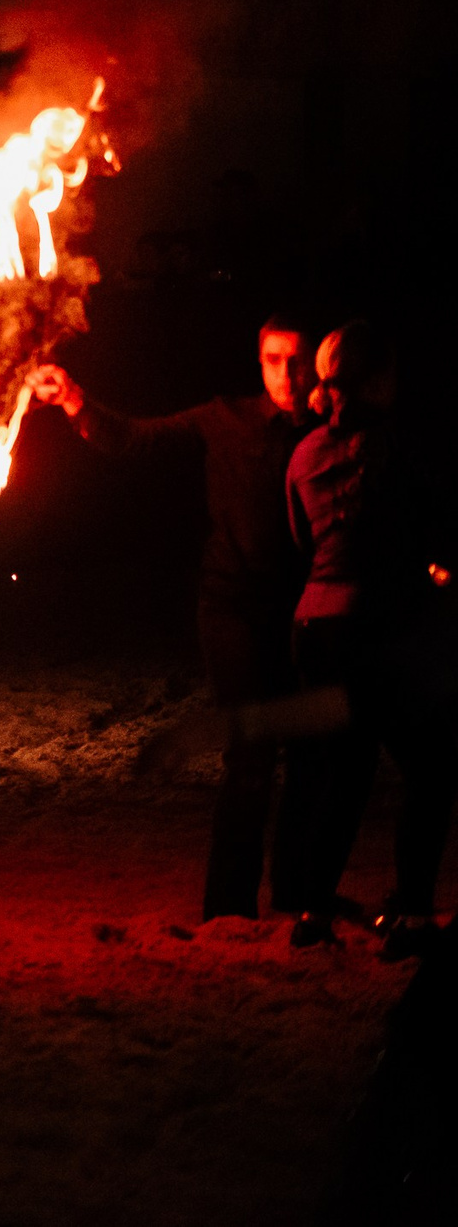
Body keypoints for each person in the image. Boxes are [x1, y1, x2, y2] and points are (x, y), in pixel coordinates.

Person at [26, 315, 315, 921]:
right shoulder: (224, 419)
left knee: (310, 759)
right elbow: (136, 439)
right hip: (232, 606)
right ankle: (229, 910)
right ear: (258, 362)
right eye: (272, 359)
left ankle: (297, 901)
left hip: (304, 612)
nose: (285, 373)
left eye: (296, 359)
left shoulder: (331, 430)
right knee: (251, 753)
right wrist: (76, 400)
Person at [276, 322, 455, 956]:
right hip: (377, 628)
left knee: (344, 775)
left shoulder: (303, 454)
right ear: (379, 379)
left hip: (315, 627)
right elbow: (428, 541)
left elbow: (304, 541)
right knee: (433, 770)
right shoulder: (397, 450)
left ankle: (312, 912)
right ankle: (409, 917)